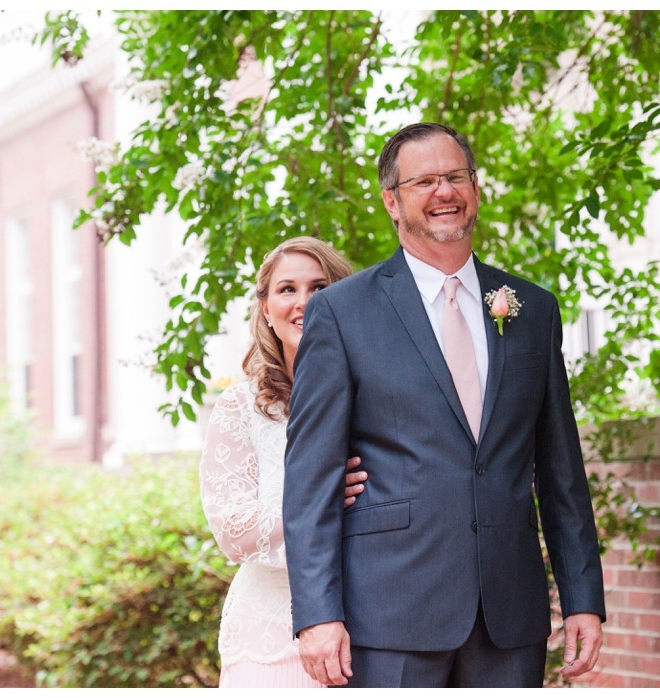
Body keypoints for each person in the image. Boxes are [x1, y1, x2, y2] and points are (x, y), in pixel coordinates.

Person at [283, 123, 606, 688]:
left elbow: (561, 471)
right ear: (392, 200)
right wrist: (317, 614)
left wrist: (583, 598)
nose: (444, 192)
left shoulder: (531, 308)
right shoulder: (342, 313)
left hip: (511, 618)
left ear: (475, 188)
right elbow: (310, 481)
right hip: (388, 615)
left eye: (456, 176)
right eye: (424, 181)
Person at [199, 236, 366, 687]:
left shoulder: (375, 396)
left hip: (372, 628)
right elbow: (233, 530)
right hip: (268, 638)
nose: (304, 302)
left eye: (320, 287)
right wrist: (317, 499)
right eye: (287, 289)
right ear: (266, 309)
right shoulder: (241, 406)